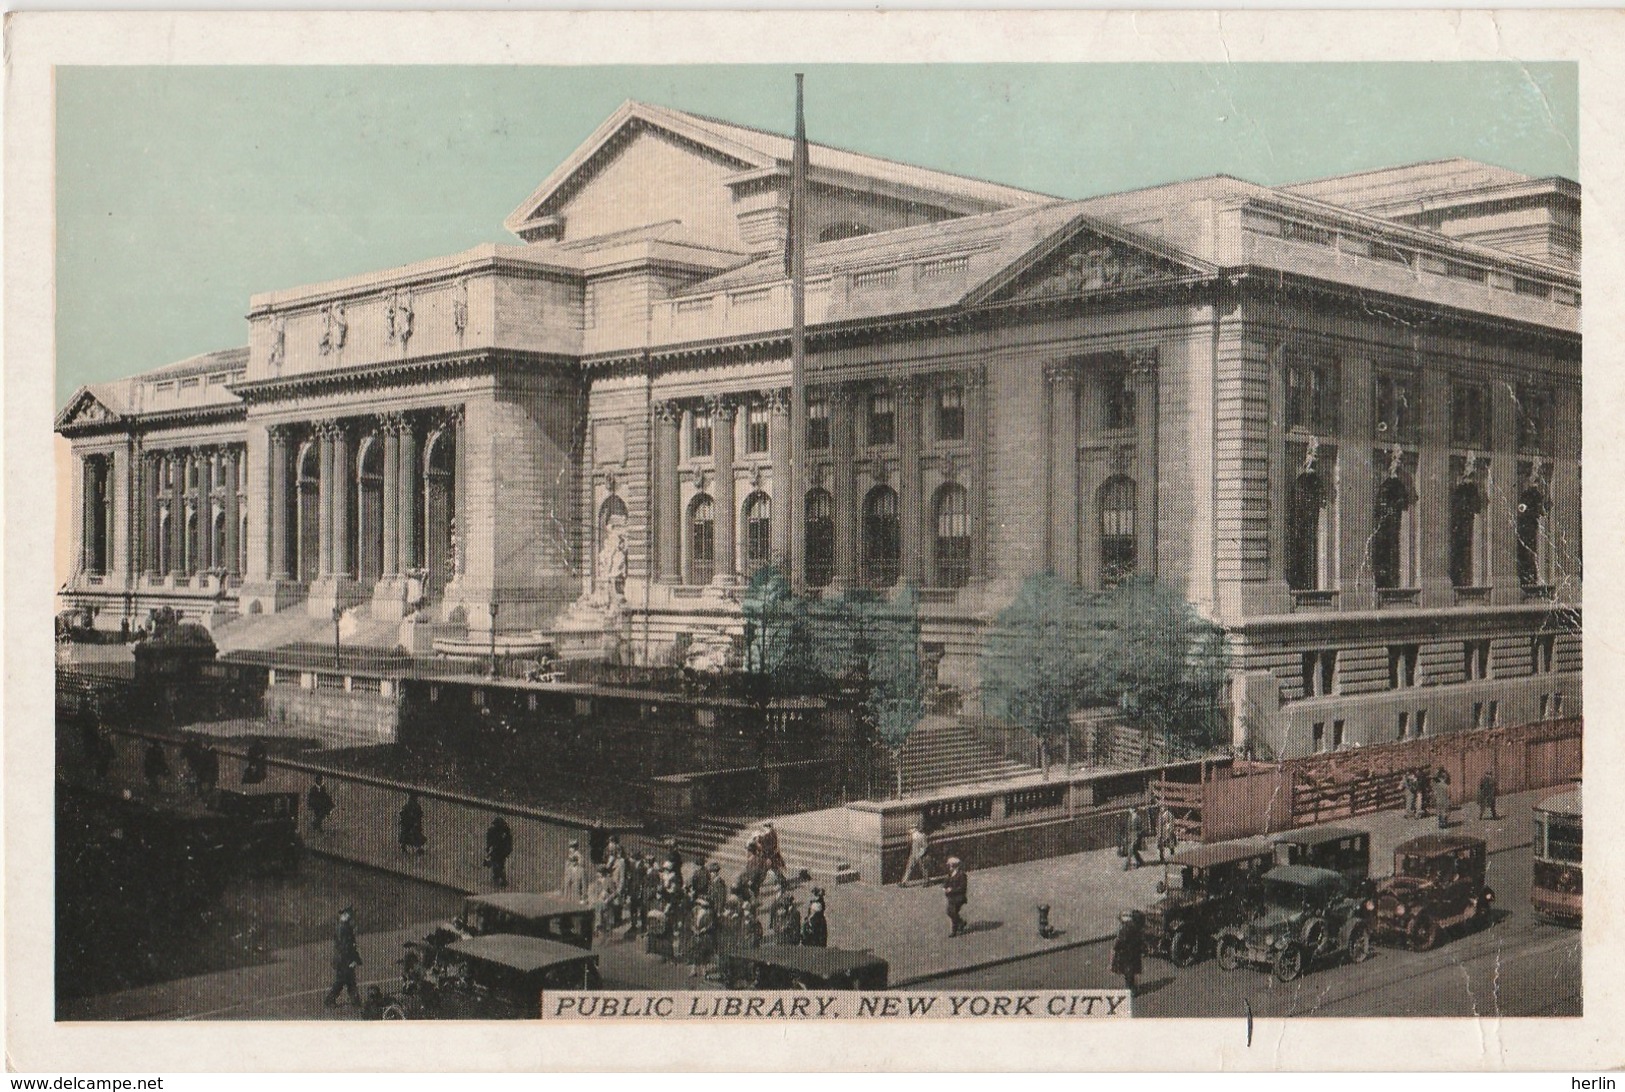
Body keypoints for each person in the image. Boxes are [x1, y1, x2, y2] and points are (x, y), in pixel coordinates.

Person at [324, 906, 363, 1007]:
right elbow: (346, 947)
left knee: (349, 981)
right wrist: (352, 960)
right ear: (345, 914)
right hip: (343, 960)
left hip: (342, 959)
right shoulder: (343, 928)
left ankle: (355, 1002)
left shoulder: (343, 927)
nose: (351, 915)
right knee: (342, 981)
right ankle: (330, 1000)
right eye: (350, 913)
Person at [1110, 910, 1145, 996]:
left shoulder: (1125, 929)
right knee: (1131, 972)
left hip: (1127, 954)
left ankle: (1131, 988)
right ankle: (1132, 988)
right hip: (1132, 954)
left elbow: (1117, 944)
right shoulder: (1136, 929)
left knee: (1128, 973)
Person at [687, 896, 717, 978]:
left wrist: (703, 930)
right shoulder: (695, 910)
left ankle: (704, 971)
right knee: (695, 952)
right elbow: (691, 921)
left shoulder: (710, 913)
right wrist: (693, 929)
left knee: (704, 952)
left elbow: (711, 924)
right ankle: (693, 970)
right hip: (696, 934)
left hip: (705, 935)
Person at [484, 815, 513, 887]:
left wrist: (506, 851)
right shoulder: (493, 831)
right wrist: (488, 847)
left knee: (499, 864)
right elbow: (489, 840)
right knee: (497, 864)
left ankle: (501, 879)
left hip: (502, 851)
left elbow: (508, 843)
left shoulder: (505, 832)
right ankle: (498, 878)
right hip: (496, 850)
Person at [943, 857, 969, 937]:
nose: (949, 867)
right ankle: (960, 923)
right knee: (952, 912)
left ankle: (955, 930)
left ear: (954, 865)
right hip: (951, 897)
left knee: (951, 912)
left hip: (959, 897)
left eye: (950, 865)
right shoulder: (950, 874)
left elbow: (962, 887)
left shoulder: (961, 875)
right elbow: (945, 883)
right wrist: (945, 888)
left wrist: (951, 889)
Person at [563, 840, 588, 905]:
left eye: (572, 847)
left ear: (575, 848)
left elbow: (581, 868)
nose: (570, 849)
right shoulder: (570, 855)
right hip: (569, 879)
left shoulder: (578, 856)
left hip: (576, 879)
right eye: (570, 847)